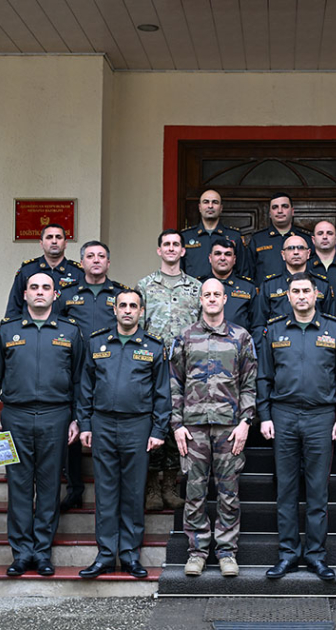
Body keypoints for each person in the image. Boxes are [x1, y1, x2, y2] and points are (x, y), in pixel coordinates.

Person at [0, 272, 84, 577]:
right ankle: (22, 553)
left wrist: (77, 418)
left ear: (55, 295)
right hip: (16, 416)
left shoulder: (70, 332)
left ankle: (42, 552)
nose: (40, 292)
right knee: (19, 486)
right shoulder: (8, 330)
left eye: (46, 287)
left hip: (56, 416)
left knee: (50, 487)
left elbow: (80, 380)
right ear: (24, 294)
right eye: (34, 287)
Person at [258, 273, 336, 581]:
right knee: (286, 490)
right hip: (283, 415)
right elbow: (264, 377)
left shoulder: (335, 330)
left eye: (306, 291)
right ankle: (288, 553)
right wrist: (265, 415)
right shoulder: (274, 330)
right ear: (288, 296)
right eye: (295, 291)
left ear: (316, 295)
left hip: (321, 417)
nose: (301, 296)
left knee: (317, 491)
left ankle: (315, 555)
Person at [76, 289, 170, 579]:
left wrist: (158, 429)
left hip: (137, 426)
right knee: (105, 493)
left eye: (133, 306)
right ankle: (105, 555)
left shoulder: (154, 347)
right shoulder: (96, 343)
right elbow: (85, 388)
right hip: (103, 424)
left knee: (133, 492)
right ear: (114, 310)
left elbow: (162, 393)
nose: (127, 310)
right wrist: (85, 424)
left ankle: (129, 554)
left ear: (141, 311)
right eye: (123, 305)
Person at [170, 278, 258, 578]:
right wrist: (177, 424)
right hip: (193, 427)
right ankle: (196, 552)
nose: (211, 298)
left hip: (229, 427)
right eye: (206, 294)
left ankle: (226, 552)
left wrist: (246, 422)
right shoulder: (185, 337)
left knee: (228, 493)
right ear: (200, 299)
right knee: (194, 491)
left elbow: (249, 384)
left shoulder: (241, 337)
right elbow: (174, 383)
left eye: (216, 294)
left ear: (224, 299)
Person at [58, 240, 131, 512]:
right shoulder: (67, 294)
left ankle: (114, 492)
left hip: (110, 370)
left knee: (109, 427)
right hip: (74, 369)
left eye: (101, 256)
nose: (96, 260)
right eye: (90, 256)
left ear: (108, 263)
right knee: (72, 426)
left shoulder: (121, 294)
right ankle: (74, 488)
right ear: (82, 262)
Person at [135, 229, 201, 511]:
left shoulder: (196, 287)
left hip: (184, 367)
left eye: (176, 244)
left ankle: (170, 484)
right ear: (159, 250)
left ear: (183, 251)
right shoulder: (144, 285)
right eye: (167, 244)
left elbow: (201, 327)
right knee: (154, 420)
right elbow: (137, 326)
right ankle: (151, 486)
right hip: (153, 365)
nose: (172, 248)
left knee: (179, 422)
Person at [255, 235, 333, 331]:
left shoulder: (322, 284)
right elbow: (259, 324)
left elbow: (330, 322)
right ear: (283, 254)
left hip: (314, 337)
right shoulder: (269, 285)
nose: (296, 252)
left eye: (300, 248)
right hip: (278, 338)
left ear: (308, 253)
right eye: (290, 248)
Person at [5, 223, 82, 317]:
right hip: (31, 325)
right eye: (49, 237)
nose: (54, 241)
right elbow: (14, 308)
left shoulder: (78, 273)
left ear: (65, 243)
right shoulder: (27, 270)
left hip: (68, 325)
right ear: (41, 243)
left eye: (58, 237)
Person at [246, 193, 313, 282]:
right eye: (275, 207)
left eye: (285, 206)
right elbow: (248, 273)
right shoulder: (257, 239)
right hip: (266, 290)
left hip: (300, 289)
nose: (280, 211)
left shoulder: (305, 239)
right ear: (270, 214)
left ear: (292, 211)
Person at [181, 189, 247, 279]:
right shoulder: (186, 236)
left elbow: (243, 271)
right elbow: (179, 270)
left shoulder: (234, 236)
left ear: (221, 208)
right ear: (199, 207)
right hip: (194, 287)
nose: (210, 206)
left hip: (226, 287)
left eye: (215, 202)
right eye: (206, 202)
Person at [205, 237, 259, 333]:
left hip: (239, 341)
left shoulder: (248, 288)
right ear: (210, 258)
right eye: (218, 254)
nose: (222, 258)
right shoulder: (199, 286)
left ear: (234, 259)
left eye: (228, 254)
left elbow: (257, 325)